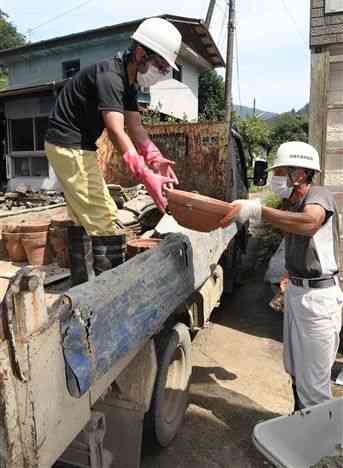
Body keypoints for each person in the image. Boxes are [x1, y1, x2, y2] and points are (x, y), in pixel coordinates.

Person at [44, 17, 182, 285]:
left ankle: (83, 287)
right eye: (160, 66)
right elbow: (117, 131)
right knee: (104, 217)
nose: (161, 73)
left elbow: (135, 127)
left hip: (72, 145)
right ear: (141, 53)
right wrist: (145, 175)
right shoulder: (110, 76)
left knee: (82, 217)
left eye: (165, 70)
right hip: (68, 144)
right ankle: (109, 295)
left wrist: (155, 158)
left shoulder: (128, 82)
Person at [222, 141, 343, 410]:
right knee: (297, 371)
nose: (275, 178)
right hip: (300, 294)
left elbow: (311, 223)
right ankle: (299, 427)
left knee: (314, 385)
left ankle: (318, 446)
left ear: (299, 173)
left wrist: (259, 211)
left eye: (280, 172)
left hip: (318, 300)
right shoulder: (293, 205)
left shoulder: (318, 195)